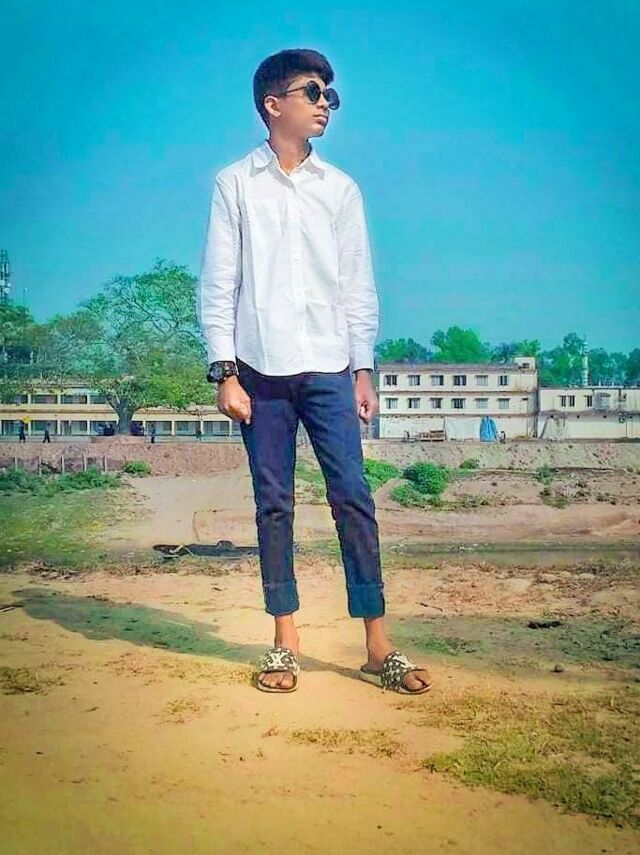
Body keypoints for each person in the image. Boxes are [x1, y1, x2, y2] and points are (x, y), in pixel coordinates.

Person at [197, 49, 432, 696]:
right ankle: (285, 640)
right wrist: (224, 372)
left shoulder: (341, 189)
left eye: (331, 94)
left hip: (330, 368)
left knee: (353, 496)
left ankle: (377, 643)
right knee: (274, 504)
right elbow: (218, 283)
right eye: (313, 91)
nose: (326, 103)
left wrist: (363, 367)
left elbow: (358, 284)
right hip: (260, 371)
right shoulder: (235, 184)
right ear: (274, 104)